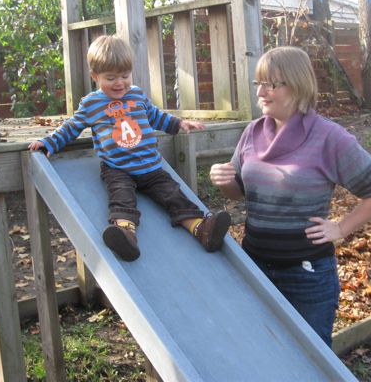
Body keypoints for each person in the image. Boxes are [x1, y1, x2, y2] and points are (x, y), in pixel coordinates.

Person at [209, 46, 371, 347]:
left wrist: (340, 228)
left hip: (306, 277)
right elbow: (240, 193)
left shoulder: (328, 138)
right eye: (258, 83)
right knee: (260, 352)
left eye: (271, 84)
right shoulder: (252, 132)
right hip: (255, 266)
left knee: (308, 360)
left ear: (297, 85)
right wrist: (223, 181)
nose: (261, 92)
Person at [30, 35, 231, 262]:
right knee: (122, 198)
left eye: (125, 76)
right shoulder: (91, 104)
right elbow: (71, 128)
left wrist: (178, 123)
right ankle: (126, 236)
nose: (119, 83)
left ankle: (201, 229)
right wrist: (49, 142)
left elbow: (155, 117)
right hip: (118, 168)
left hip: (150, 165)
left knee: (173, 194)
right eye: (111, 77)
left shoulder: (136, 94)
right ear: (95, 76)